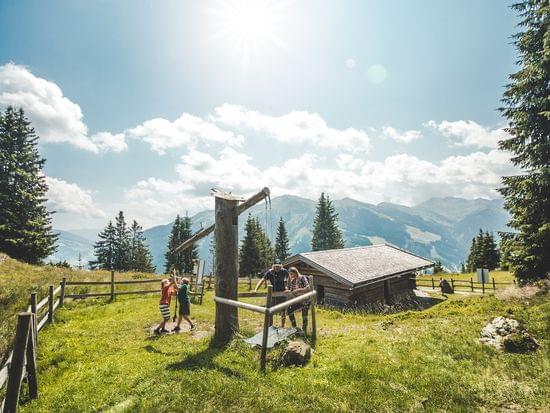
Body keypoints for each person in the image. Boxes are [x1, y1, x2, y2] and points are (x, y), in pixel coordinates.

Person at [254, 258, 289, 328]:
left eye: (278, 266)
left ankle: (282, 326)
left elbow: (289, 278)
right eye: (276, 266)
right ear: (273, 266)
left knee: (283, 311)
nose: (277, 268)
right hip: (273, 294)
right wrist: (256, 289)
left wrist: (287, 287)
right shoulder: (270, 272)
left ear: (281, 266)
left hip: (282, 294)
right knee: (271, 311)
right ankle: (270, 327)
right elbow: (262, 280)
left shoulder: (284, 271)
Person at [286, 267, 311, 332]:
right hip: (298, 300)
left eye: (292, 274)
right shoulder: (293, 280)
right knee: (289, 310)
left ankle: (304, 330)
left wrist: (298, 290)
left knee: (304, 316)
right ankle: (295, 328)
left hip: (305, 300)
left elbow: (308, 288)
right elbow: (291, 290)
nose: (291, 276)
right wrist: (288, 290)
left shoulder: (302, 278)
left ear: (295, 272)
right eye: (290, 274)